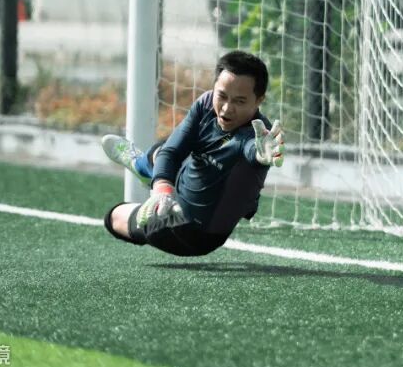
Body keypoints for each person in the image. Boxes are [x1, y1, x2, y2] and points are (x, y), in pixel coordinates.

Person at [100, 50, 285, 257]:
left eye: (239, 101)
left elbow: (252, 150)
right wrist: (162, 190)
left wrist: (260, 157)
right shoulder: (206, 103)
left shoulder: (258, 138)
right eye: (222, 96)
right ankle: (145, 166)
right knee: (164, 150)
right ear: (214, 88)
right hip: (184, 182)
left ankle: (149, 174)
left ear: (259, 100)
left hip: (192, 232)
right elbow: (172, 151)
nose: (226, 108)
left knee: (113, 217)